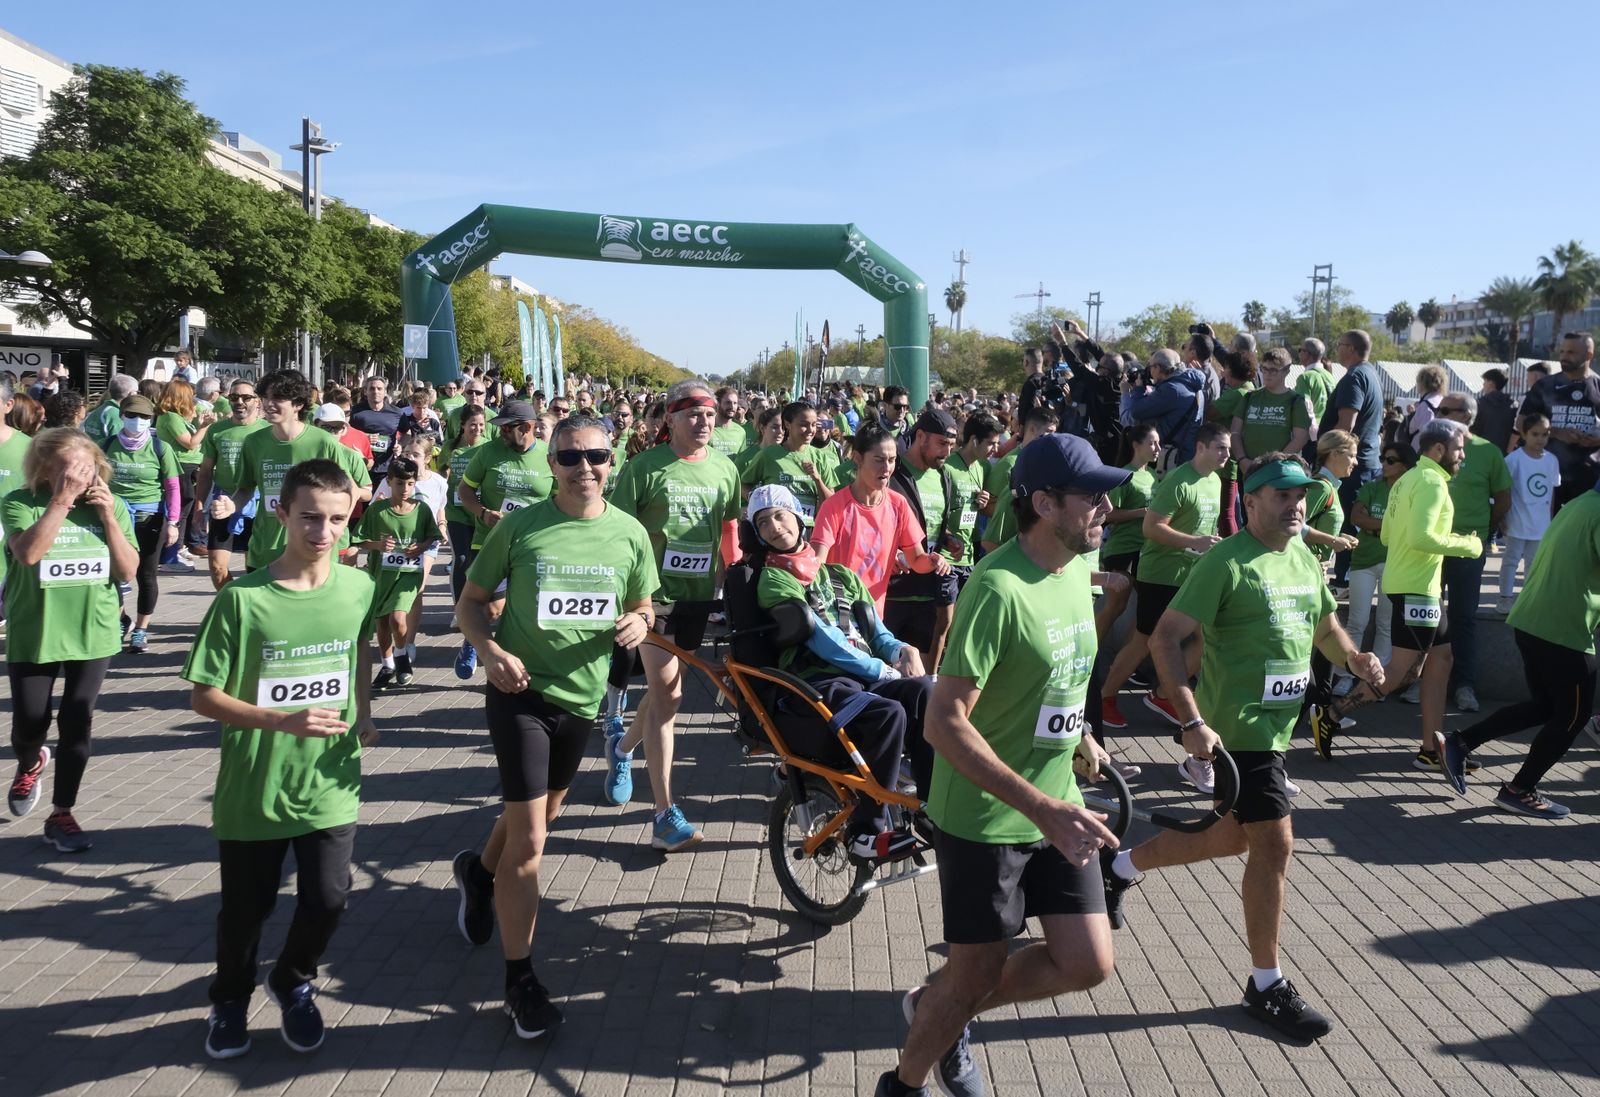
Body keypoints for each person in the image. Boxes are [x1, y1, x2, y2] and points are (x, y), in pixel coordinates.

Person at [1103, 453, 1382, 1042]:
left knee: (1233, 837)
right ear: (1249, 503)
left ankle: (1118, 866)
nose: (1295, 505)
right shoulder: (1225, 563)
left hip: (1277, 732)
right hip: (1240, 736)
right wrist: (1191, 718)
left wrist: (1353, 656)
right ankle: (1265, 984)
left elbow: (1326, 628)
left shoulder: (1305, 555)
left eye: (1301, 495)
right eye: (1281, 496)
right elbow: (1167, 639)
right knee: (1276, 845)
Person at [877, 434, 1123, 1097]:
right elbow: (942, 720)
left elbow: (1058, 677)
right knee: (975, 973)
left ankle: (936, 1004)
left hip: (1057, 801)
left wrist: (1080, 739)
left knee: (1088, 961)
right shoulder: (997, 587)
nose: (1108, 505)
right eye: (1093, 495)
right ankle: (903, 1080)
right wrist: (1040, 805)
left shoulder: (1073, 566)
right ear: (1044, 502)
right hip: (985, 817)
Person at [450, 416, 656, 1038]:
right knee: (532, 842)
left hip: (583, 699)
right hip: (519, 693)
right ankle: (521, 982)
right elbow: (470, 601)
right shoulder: (521, 526)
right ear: (552, 463)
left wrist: (641, 623)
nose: (584, 467)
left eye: (595, 455)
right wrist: (489, 652)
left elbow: (643, 602)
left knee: (536, 819)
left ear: (612, 459)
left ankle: (478, 874)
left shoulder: (630, 534)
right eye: (570, 457)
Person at [184, 459, 377, 1060]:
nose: (323, 532)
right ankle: (230, 998)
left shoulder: (359, 587)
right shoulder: (243, 600)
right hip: (255, 785)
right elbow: (202, 696)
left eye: (337, 520)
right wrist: (281, 720)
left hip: (329, 778)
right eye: (310, 518)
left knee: (329, 899)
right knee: (247, 911)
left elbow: (358, 650)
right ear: (281, 515)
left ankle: (293, 978)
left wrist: (364, 710)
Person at [750, 484, 930, 861]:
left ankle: (931, 805)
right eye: (762, 523)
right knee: (887, 713)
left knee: (926, 694)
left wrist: (901, 650)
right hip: (815, 683)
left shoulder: (841, 575)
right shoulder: (774, 579)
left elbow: (874, 631)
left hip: (863, 677)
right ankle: (865, 834)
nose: (773, 526)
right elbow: (822, 640)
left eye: (780, 515)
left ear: (799, 517)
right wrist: (881, 668)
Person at [604, 380, 741, 851]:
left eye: (709, 415)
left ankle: (621, 749)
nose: (704, 422)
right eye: (693, 415)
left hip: (698, 596)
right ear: (670, 418)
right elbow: (618, 533)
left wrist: (733, 580)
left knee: (666, 692)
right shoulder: (644, 468)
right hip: (652, 597)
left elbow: (728, 527)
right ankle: (664, 814)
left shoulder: (725, 468)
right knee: (670, 694)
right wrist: (626, 596)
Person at [1310, 419, 1481, 769]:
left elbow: (1388, 535)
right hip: (1417, 590)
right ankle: (1331, 715)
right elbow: (1420, 539)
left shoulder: (1407, 480)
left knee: (1442, 659)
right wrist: (1469, 545)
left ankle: (1432, 749)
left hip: (1418, 587)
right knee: (1403, 673)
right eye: (1459, 448)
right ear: (1438, 450)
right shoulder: (1432, 483)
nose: (1463, 455)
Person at [4, 428, 139, 852]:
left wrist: (109, 519)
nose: (81, 479)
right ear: (45, 470)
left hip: (92, 631)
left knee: (76, 722)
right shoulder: (18, 503)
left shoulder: (110, 505)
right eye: (70, 472)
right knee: (29, 723)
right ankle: (30, 760)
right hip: (36, 629)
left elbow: (127, 570)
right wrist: (62, 502)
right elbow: (28, 554)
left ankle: (62, 813)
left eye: (88, 470)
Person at [1441, 478, 1600, 819]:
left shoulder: (1581, 501)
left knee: (1546, 707)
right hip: (1562, 629)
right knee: (1574, 717)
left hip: (1533, 620)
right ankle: (1519, 789)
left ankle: (1460, 743)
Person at [1099, 423, 1230, 787]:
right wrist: (1196, 542)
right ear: (1201, 447)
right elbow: (1152, 528)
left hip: (1193, 576)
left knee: (1205, 641)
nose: (1226, 455)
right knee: (1144, 640)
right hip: (1161, 574)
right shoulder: (1178, 480)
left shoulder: (1216, 482)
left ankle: (1160, 694)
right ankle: (1107, 695)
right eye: (1220, 447)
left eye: (1228, 449)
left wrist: (1209, 547)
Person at [210, 371, 374, 575]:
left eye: (277, 398)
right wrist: (232, 505)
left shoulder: (324, 442)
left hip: (313, 552)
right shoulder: (254, 442)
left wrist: (335, 529)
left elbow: (350, 492)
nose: (268, 404)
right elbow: (245, 488)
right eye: (265, 397)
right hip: (265, 550)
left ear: (298, 404)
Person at [455, 400, 554, 678]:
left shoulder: (549, 457)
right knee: (494, 609)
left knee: (526, 609)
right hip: (489, 540)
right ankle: (472, 642)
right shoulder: (487, 453)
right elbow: (465, 491)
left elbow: (559, 500)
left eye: (507, 429)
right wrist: (483, 513)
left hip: (532, 547)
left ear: (527, 427)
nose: (501, 434)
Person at [811, 423, 950, 614]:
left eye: (892, 460)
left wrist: (934, 561)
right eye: (879, 460)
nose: (886, 468)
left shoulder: (898, 504)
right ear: (858, 458)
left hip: (874, 616)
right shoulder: (834, 507)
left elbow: (917, 560)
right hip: (836, 615)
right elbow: (817, 563)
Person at [1434, 392, 1510, 713]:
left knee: (1463, 617)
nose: (1437, 413)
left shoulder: (1488, 452)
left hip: (1468, 548)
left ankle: (1464, 684)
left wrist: (1483, 532)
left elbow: (1502, 499)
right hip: (1431, 547)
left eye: (1444, 410)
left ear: (1465, 416)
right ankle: (1419, 679)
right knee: (1427, 616)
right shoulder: (1433, 445)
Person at [1331, 441, 1415, 695]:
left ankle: (1377, 682)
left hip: (1395, 563)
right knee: (1357, 621)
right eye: (1383, 458)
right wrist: (1389, 525)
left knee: (1386, 623)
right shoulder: (1371, 487)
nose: (1384, 464)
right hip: (1364, 561)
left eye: (1390, 460)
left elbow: (1409, 526)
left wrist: (1374, 525)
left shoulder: (1411, 491)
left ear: (1405, 466)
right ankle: (1345, 674)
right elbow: (1357, 518)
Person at [885, 410, 967, 669]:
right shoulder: (891, 472)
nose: (947, 452)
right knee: (888, 673)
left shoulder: (943, 476)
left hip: (927, 594)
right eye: (942, 443)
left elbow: (931, 525)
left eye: (952, 445)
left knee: (921, 673)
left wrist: (949, 540)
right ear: (921, 436)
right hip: (892, 594)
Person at [102, 394, 183, 653]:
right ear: (122, 415)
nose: (138, 421)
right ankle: (121, 618)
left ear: (152, 419)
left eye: (144, 417)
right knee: (112, 575)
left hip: (150, 519)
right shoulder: (107, 445)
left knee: (146, 575)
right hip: (115, 519)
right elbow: (98, 480)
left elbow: (173, 488)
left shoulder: (161, 448)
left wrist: (173, 522)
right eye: (132, 415)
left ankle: (141, 629)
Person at [355, 457, 442, 690]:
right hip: (382, 576)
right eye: (399, 484)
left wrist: (421, 547)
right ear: (389, 482)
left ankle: (401, 654)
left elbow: (434, 536)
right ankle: (387, 665)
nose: (405, 489)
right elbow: (359, 539)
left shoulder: (421, 509)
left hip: (408, 575)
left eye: (410, 484)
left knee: (397, 618)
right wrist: (377, 546)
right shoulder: (377, 510)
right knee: (382, 623)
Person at [1319, 331, 1384, 585]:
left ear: (1352, 348)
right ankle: (1347, 578)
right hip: (1363, 462)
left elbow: (1345, 424)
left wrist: (1326, 455)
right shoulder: (1369, 374)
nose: (1337, 348)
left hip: (1351, 465)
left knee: (1345, 522)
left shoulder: (1355, 377)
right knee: (1351, 521)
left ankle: (1343, 580)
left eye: (1340, 344)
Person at [194, 379, 268, 590]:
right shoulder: (217, 431)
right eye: (234, 397)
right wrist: (199, 507)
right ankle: (231, 607)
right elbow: (206, 472)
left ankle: (251, 612)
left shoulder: (268, 431)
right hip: (223, 502)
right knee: (217, 567)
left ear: (258, 401)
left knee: (254, 568)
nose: (239, 402)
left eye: (246, 397)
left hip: (258, 504)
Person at [1517, 332, 1600, 507]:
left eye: (1571, 352)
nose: (1564, 357)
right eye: (1562, 352)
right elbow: (1521, 423)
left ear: (1589, 355)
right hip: (1546, 473)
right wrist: (1555, 432)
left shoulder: (1597, 386)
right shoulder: (1544, 386)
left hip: (1589, 477)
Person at [1095, 423, 1159, 638]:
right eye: (1152, 443)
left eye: (1159, 443)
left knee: (1148, 611)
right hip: (1123, 549)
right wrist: (1143, 512)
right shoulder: (1123, 475)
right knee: (1115, 607)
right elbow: (1108, 516)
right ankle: (1089, 654)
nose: (1158, 448)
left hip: (1147, 550)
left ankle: (1131, 660)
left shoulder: (1152, 475)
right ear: (1136, 445)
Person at [740, 400, 842, 525]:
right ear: (788, 424)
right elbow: (743, 484)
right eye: (803, 424)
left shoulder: (820, 457)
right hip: (778, 529)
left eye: (814, 425)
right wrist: (758, 501)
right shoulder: (768, 455)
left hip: (809, 529)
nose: (810, 430)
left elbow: (831, 502)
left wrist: (817, 479)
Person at [1498, 413, 1559, 613]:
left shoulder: (1552, 460)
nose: (1541, 439)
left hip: (1540, 525)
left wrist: (1549, 520)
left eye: (1545, 434)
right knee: (1511, 560)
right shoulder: (1514, 460)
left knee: (1534, 564)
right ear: (1524, 434)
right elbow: (1503, 490)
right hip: (1517, 521)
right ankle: (1505, 599)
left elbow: (1551, 492)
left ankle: (1528, 600)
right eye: (1535, 434)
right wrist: (1503, 519)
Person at [156, 377, 218, 564]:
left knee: (187, 507)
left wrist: (199, 425)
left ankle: (180, 546)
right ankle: (173, 550)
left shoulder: (177, 417)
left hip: (189, 465)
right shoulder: (170, 417)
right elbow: (190, 443)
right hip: (180, 465)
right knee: (181, 508)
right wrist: (204, 427)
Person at [1230, 348, 1314, 484]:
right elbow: (1235, 432)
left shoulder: (1296, 401)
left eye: (1274, 370)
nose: (1267, 374)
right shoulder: (1250, 397)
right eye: (1264, 369)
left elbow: (1300, 438)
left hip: (1278, 471)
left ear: (1287, 370)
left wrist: (1272, 464)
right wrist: (1242, 460)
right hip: (1248, 469)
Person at [1119, 348, 1208, 467]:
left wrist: (1134, 390)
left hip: (1172, 458)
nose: (1149, 371)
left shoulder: (1172, 389)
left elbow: (1135, 412)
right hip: (1187, 452)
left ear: (1158, 368)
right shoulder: (1192, 385)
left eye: (1150, 367)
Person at [442, 406, 491, 605]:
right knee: (461, 559)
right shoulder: (449, 447)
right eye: (473, 425)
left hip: (481, 512)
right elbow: (441, 474)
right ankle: (459, 609)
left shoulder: (489, 447)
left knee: (480, 561)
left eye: (481, 425)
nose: (477, 429)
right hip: (457, 513)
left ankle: (478, 605)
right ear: (462, 426)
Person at [349, 374, 404, 477]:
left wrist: (400, 445)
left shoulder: (397, 413)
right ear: (365, 391)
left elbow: (407, 433)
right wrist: (364, 437)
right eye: (372, 388)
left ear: (385, 392)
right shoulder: (355, 411)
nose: (376, 391)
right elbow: (346, 432)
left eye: (379, 389)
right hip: (361, 465)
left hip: (387, 467)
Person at [316, 390, 373, 471]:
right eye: (339, 413)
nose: (344, 417)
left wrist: (363, 460)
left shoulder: (360, 436)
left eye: (347, 413)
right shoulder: (314, 436)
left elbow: (370, 465)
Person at [1402, 365, 1449, 451]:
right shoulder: (1444, 401)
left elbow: (1425, 436)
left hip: (1421, 454)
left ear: (1423, 383)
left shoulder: (1427, 405)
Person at [83, 374, 138, 446]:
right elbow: (119, 445)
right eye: (137, 392)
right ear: (132, 394)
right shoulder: (117, 415)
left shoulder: (98, 410)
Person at [1474, 368, 1517, 454]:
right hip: (1504, 452)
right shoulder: (1514, 405)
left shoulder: (1480, 403)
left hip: (1482, 449)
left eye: (1485, 381)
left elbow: (1474, 429)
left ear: (1491, 383)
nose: (1483, 384)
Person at [1294, 338, 1334, 423]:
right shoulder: (1330, 376)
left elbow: (1301, 410)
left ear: (1306, 353)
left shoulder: (1305, 377)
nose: (1299, 353)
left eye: (1300, 350)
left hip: (1311, 430)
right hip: (1328, 429)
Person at [710, 386, 748, 459]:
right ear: (717, 404)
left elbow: (741, 460)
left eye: (735, 403)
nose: (732, 407)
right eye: (728, 402)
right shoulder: (707, 429)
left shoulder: (741, 432)